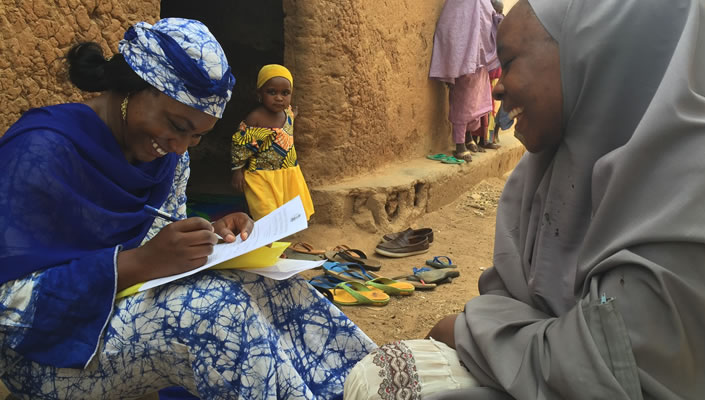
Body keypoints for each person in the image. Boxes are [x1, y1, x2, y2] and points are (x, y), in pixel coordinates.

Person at [345, 0, 705, 398]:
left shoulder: (696, 171)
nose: (499, 85)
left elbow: (618, 366)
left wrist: (471, 332)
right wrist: (494, 332)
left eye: (508, 62)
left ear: (590, 53)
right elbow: (510, 299)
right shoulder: (545, 168)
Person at [0, 18, 374, 399]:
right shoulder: (40, 152)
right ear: (134, 86)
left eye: (196, 136)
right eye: (176, 125)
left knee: (273, 286)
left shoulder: (167, 159)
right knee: (219, 315)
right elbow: (9, 310)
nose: (180, 147)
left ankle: (373, 386)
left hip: (123, 305)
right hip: (49, 352)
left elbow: (161, 235)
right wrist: (140, 262)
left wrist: (210, 235)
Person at [230, 64, 315, 221]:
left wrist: (293, 114)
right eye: (272, 92)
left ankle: (280, 238)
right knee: (265, 213)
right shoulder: (255, 118)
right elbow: (240, 145)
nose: (279, 98)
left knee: (288, 209)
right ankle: (265, 240)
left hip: (288, 172)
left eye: (285, 93)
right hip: (261, 175)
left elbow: (290, 117)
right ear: (259, 94)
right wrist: (237, 171)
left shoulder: (287, 113)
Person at [429, 0, 501, 162]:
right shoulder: (459, 3)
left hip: (481, 61)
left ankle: (468, 137)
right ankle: (459, 144)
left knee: (477, 103)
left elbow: (488, 24)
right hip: (464, 61)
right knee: (463, 103)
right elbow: (448, 29)